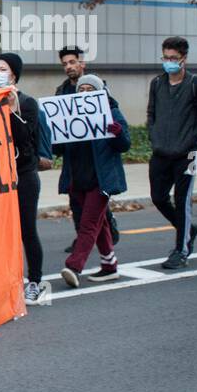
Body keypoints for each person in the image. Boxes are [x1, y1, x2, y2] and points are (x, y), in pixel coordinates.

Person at [0, 53, 52, 305]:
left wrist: (12, 108)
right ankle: (6, 280)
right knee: (1, 233)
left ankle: (35, 281)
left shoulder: (27, 103)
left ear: (13, 75)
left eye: (2, 68)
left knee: (27, 231)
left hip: (24, 176)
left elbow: (25, 138)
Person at [59, 74, 130, 288]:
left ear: (100, 92)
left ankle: (74, 267)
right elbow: (59, 149)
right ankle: (110, 265)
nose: (85, 93)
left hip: (101, 180)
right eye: (82, 89)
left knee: (88, 224)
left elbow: (125, 144)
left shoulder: (112, 112)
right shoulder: (70, 114)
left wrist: (117, 133)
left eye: (91, 89)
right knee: (100, 223)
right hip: (78, 179)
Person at [147, 36, 197, 270]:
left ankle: (181, 251)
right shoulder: (157, 83)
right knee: (159, 198)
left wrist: (194, 140)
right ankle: (189, 229)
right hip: (161, 152)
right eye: (166, 57)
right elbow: (151, 112)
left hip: (189, 155)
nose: (169, 62)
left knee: (183, 202)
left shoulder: (196, 84)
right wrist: (154, 135)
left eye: (173, 58)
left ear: (184, 59)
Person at [54, 45, 120, 253]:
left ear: (82, 63)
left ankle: (95, 237)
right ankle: (82, 237)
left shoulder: (99, 88)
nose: (69, 67)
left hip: (95, 157)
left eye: (72, 62)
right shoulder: (61, 92)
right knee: (76, 203)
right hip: (73, 157)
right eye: (65, 64)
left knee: (95, 205)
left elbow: (112, 112)